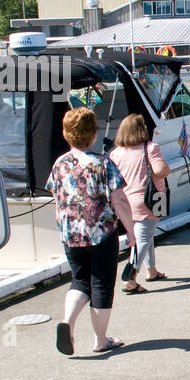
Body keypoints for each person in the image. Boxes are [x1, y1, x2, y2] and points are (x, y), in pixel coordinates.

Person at [46, 106, 136, 355]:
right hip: (100, 232)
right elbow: (118, 199)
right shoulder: (102, 163)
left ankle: (68, 322)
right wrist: (130, 230)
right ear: (93, 134)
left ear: (67, 134)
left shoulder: (59, 164)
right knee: (101, 285)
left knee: (80, 281)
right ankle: (100, 340)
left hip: (69, 234)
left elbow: (57, 194)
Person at [109, 113, 172, 292]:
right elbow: (160, 170)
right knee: (142, 239)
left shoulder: (115, 153)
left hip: (125, 202)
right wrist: (165, 169)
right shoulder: (150, 148)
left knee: (147, 235)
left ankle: (151, 270)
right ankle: (130, 277)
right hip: (148, 201)